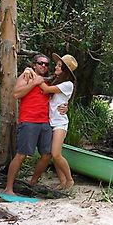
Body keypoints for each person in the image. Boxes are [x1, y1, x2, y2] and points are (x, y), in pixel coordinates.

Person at [4, 54, 53, 195]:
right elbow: (16, 94)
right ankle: (9, 188)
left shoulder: (48, 81)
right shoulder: (26, 76)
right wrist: (34, 83)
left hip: (45, 122)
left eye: (46, 64)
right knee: (21, 155)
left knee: (47, 154)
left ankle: (32, 183)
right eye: (40, 63)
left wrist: (65, 106)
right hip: (29, 121)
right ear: (34, 64)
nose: (43, 66)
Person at [36, 53, 78, 189]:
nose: (56, 67)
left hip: (60, 123)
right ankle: (62, 181)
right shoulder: (57, 81)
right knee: (54, 155)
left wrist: (34, 76)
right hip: (51, 121)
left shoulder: (68, 84)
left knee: (56, 153)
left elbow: (46, 89)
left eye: (59, 66)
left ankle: (69, 179)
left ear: (65, 70)